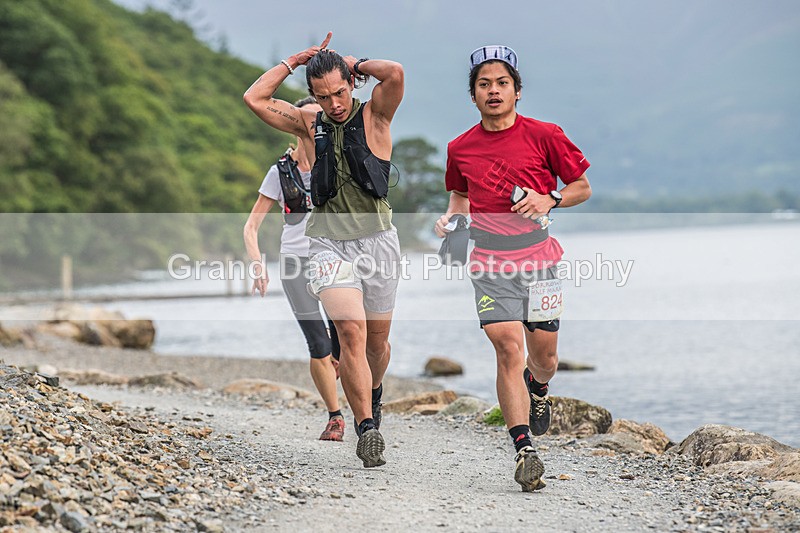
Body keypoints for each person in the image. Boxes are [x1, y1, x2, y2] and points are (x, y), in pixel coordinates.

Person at [435, 45, 592, 491]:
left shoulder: (546, 135)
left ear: (517, 91)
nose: (493, 91)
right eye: (484, 84)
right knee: (507, 347)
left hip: (540, 259)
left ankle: (538, 389)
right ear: (473, 96)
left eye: (502, 83)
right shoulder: (460, 148)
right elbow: (460, 197)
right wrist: (452, 222)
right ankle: (523, 448)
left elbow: (582, 187)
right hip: (488, 260)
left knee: (544, 358)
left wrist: (552, 197)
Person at [244, 33, 404, 468]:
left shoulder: (376, 114)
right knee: (349, 332)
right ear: (313, 95)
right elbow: (255, 98)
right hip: (327, 242)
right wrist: (294, 60)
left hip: (378, 242)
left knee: (377, 345)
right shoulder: (308, 123)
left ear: (351, 84)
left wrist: (359, 61)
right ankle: (366, 428)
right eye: (323, 95)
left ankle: (373, 392)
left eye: (339, 92)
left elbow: (395, 73)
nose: (332, 103)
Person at [243, 96, 344, 442]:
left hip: (332, 258)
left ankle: (361, 396)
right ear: (294, 123)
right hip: (294, 261)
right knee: (318, 345)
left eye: (321, 120)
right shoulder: (280, 172)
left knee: (344, 341)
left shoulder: (336, 163)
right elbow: (251, 226)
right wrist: (258, 265)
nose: (315, 126)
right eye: (308, 119)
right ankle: (335, 416)